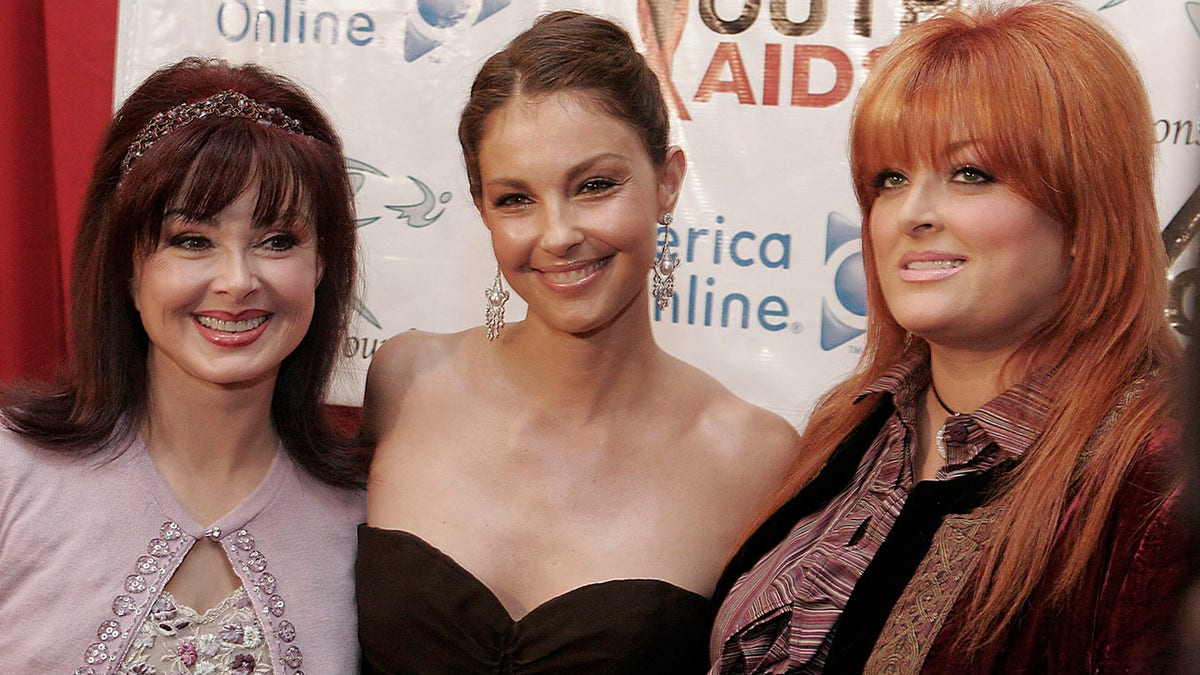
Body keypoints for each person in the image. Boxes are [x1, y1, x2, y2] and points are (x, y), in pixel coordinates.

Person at [709, 1, 1190, 672]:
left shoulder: (1159, 473)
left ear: (1084, 214)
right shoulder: (850, 424)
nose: (913, 213)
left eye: (971, 174)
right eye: (890, 179)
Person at [356, 10, 798, 673]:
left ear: (668, 182)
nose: (557, 233)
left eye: (594, 185)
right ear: (481, 209)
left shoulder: (756, 459)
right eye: (515, 199)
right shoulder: (404, 380)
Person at [0, 57, 366, 673]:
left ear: (322, 265)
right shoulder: (12, 470)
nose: (237, 281)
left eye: (278, 241)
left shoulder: (369, 513)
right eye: (191, 240)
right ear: (125, 261)